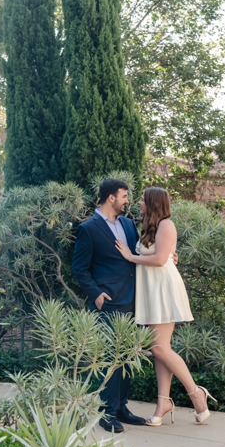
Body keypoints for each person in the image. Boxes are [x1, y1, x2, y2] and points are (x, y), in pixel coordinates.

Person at [115, 187, 214, 425]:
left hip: (163, 290)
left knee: (158, 348)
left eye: (142, 200)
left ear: (153, 203)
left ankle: (196, 394)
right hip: (152, 291)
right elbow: (165, 254)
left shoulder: (166, 225)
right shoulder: (151, 227)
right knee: (161, 348)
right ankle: (163, 402)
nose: (139, 202)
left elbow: (160, 260)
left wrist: (130, 256)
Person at [71, 177, 150, 433]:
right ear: (111, 198)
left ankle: (121, 408)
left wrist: (167, 254)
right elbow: (80, 268)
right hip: (108, 303)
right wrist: (95, 293)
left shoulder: (128, 224)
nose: (128, 201)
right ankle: (106, 412)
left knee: (126, 356)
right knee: (108, 358)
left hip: (131, 299)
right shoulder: (89, 228)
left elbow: (138, 254)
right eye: (125, 196)